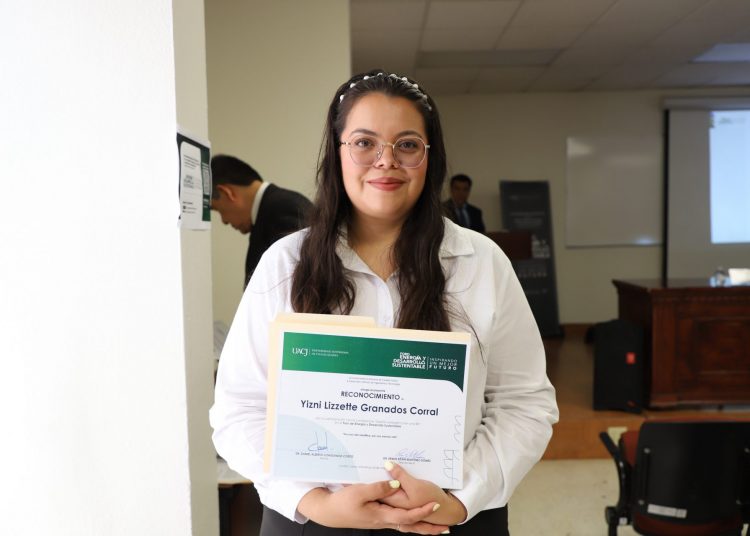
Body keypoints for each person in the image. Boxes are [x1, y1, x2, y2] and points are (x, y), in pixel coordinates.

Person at [210, 70, 558, 535]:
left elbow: (524, 403)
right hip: (315, 521)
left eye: (407, 144)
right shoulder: (286, 263)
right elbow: (239, 410)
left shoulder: (482, 262)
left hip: (451, 519)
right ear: (338, 153)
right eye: (364, 143)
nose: (386, 161)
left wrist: (459, 500)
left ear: (430, 157)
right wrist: (315, 501)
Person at [210, 154, 312, 287]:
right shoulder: (274, 209)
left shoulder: (283, 211)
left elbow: (301, 286)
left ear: (227, 192)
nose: (224, 221)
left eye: (218, 210)